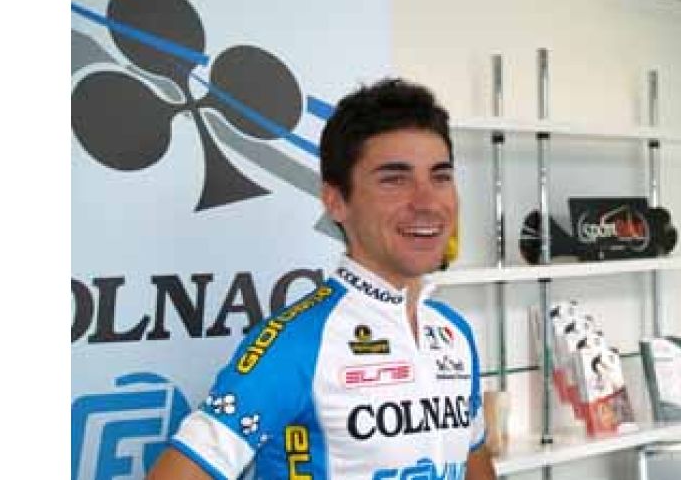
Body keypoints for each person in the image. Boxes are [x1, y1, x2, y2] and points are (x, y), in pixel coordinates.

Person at [147, 78, 497, 480]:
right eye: (394, 179)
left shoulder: (453, 331)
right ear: (336, 201)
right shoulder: (298, 342)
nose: (427, 201)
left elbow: (475, 462)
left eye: (440, 177)